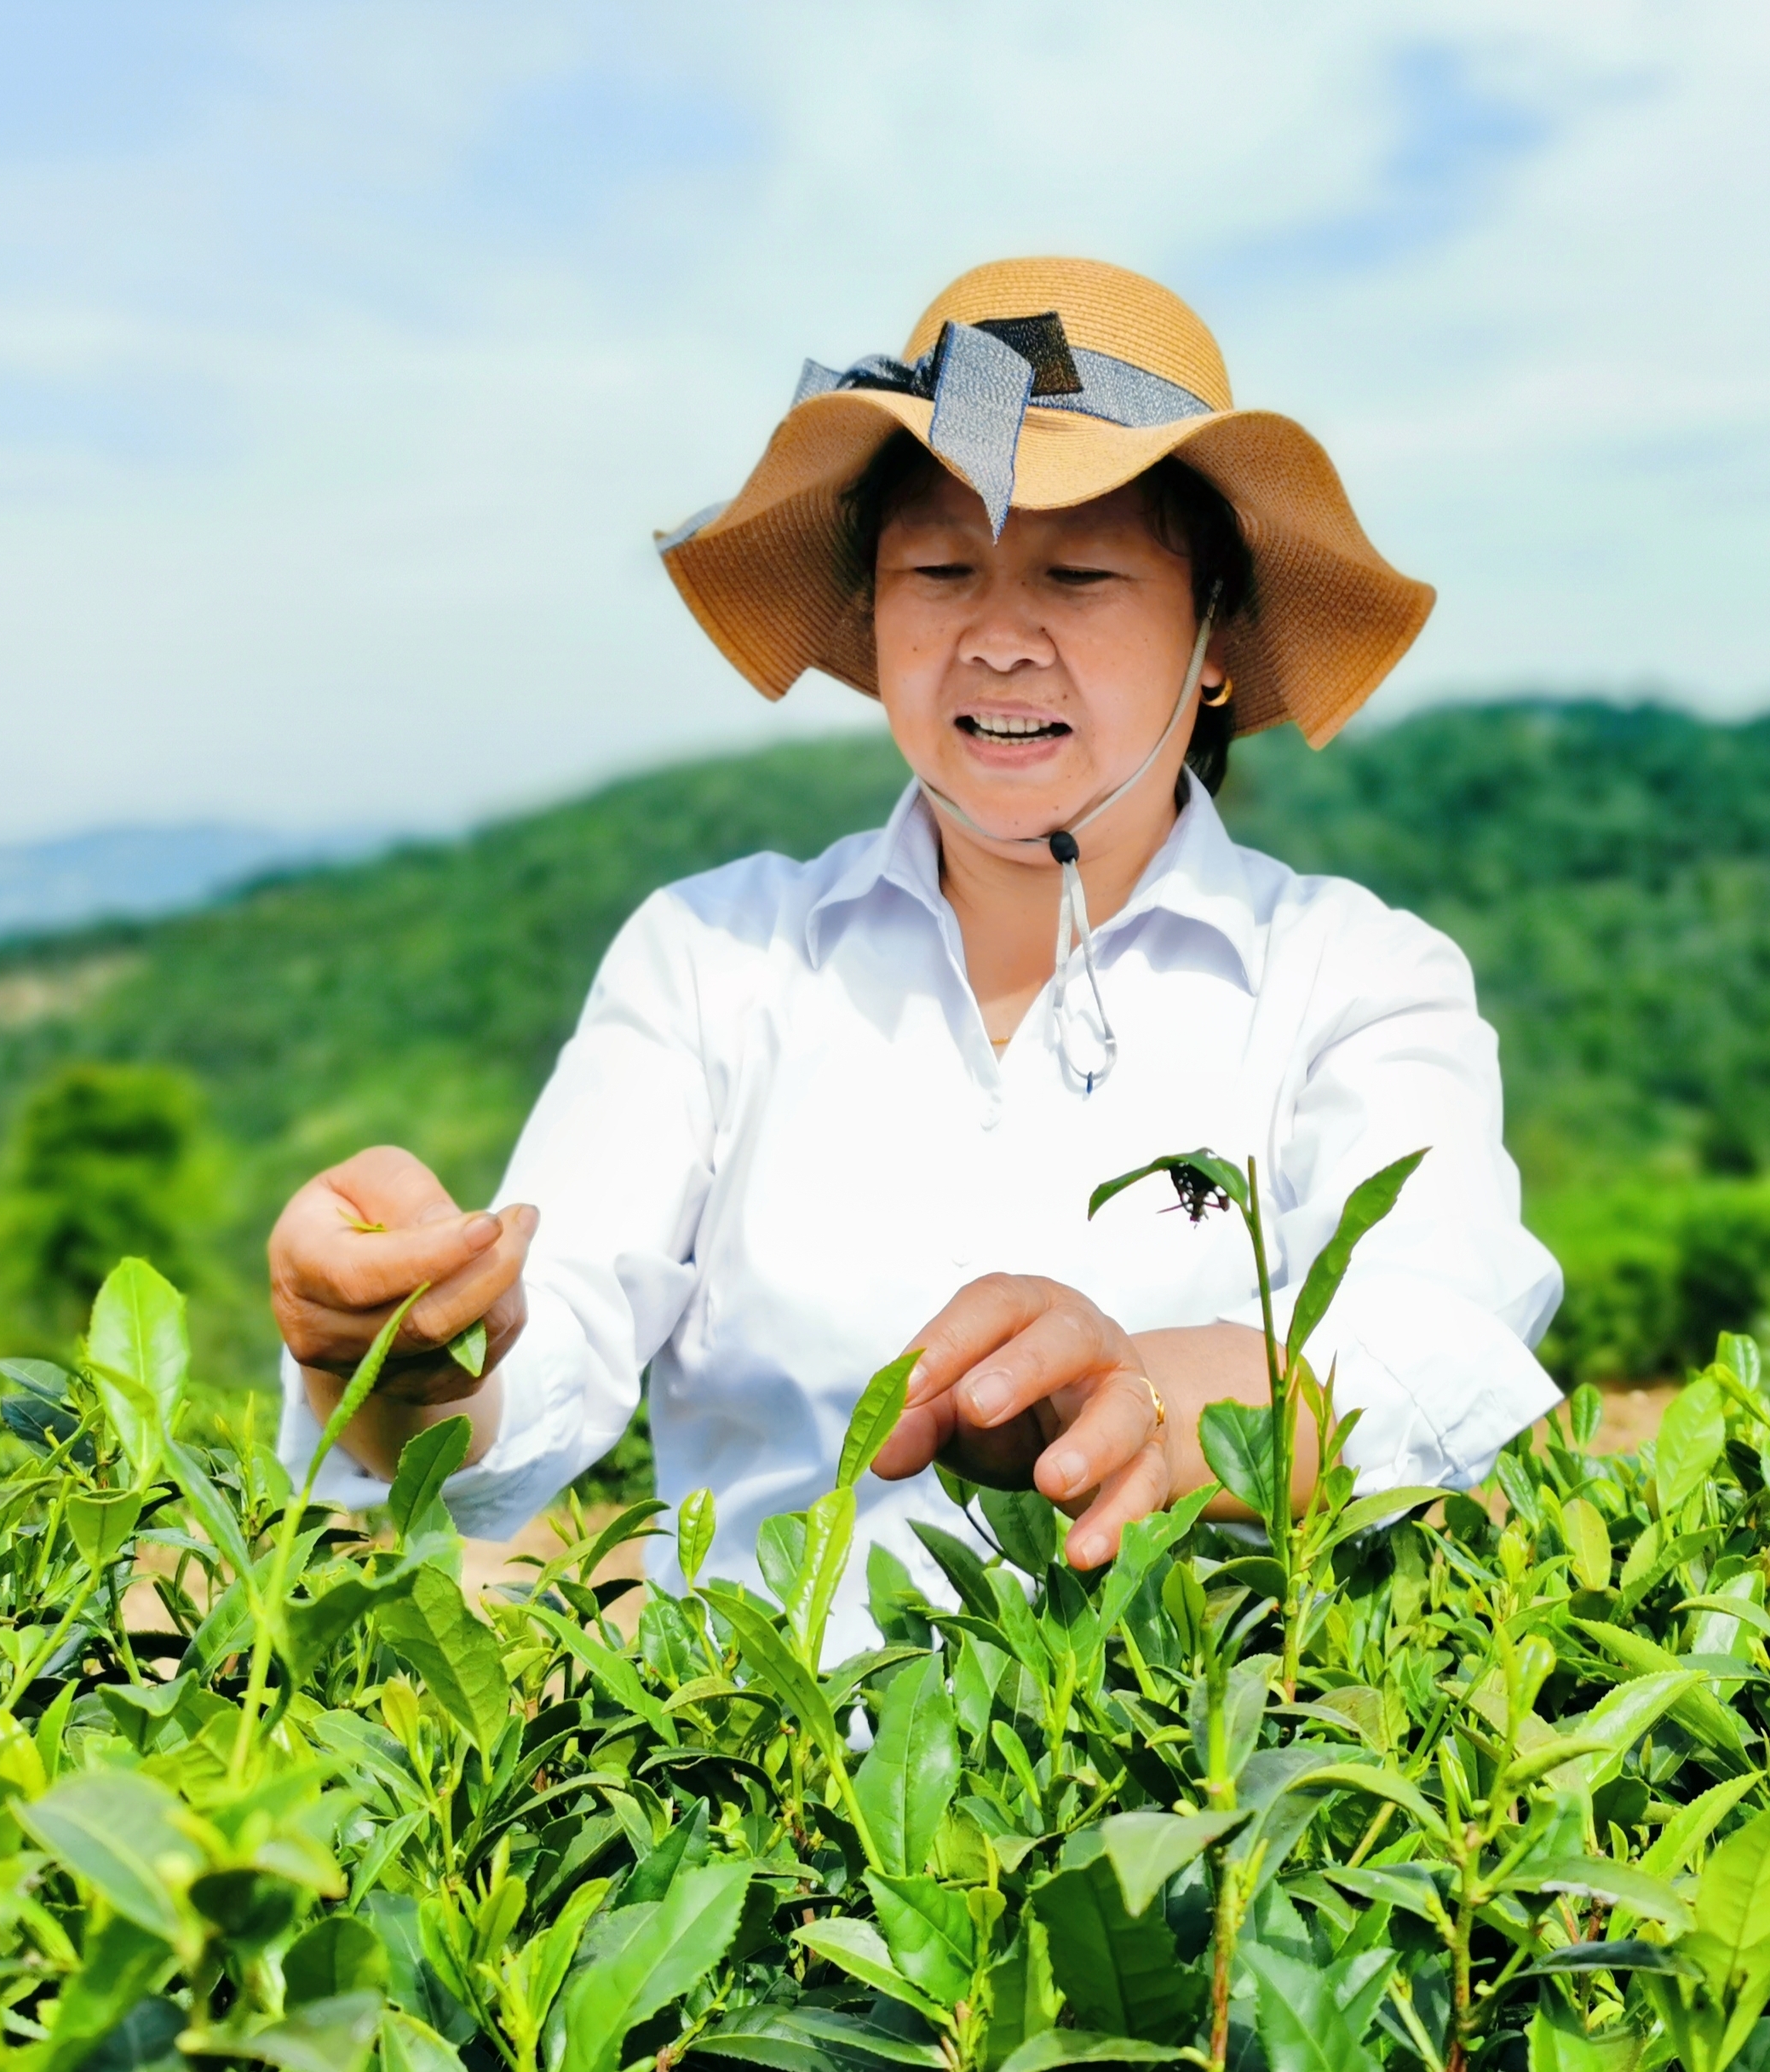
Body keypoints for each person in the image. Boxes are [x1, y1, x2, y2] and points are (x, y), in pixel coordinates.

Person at [266, 257, 1562, 1643]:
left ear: (1219, 637)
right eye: (940, 571)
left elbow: (1433, 1343)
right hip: (764, 1789)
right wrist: (407, 1347)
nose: (999, 639)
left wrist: (1155, 1399)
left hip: (1191, 1805)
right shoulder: (715, 957)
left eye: (1080, 574)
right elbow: (536, 1386)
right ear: (876, 625)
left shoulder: (1354, 980)